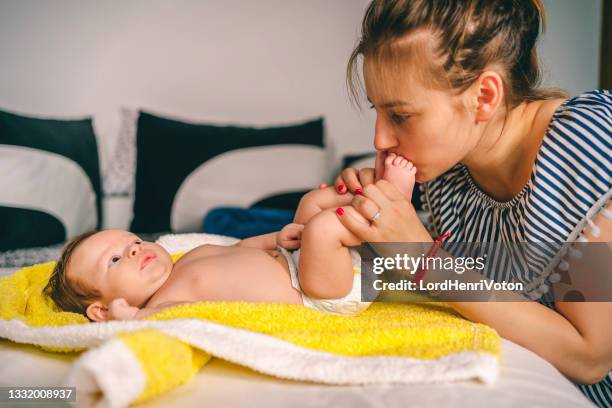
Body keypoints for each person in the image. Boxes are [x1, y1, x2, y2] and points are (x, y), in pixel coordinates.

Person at [329, 0, 611, 406]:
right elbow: (463, 297)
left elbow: (590, 358)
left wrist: (422, 257)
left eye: (401, 116)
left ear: (484, 96)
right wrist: (371, 231)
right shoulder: (447, 177)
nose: (379, 140)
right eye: (378, 112)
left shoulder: (593, 144)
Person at [43, 154, 417, 320]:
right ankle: (392, 203)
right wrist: (129, 317)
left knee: (311, 204)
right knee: (321, 228)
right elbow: (159, 321)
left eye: (132, 240)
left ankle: (380, 194)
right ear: (102, 308)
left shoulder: (185, 261)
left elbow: (240, 247)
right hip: (323, 295)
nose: (135, 249)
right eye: (115, 260)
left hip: (300, 263)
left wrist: (276, 236)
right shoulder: (166, 301)